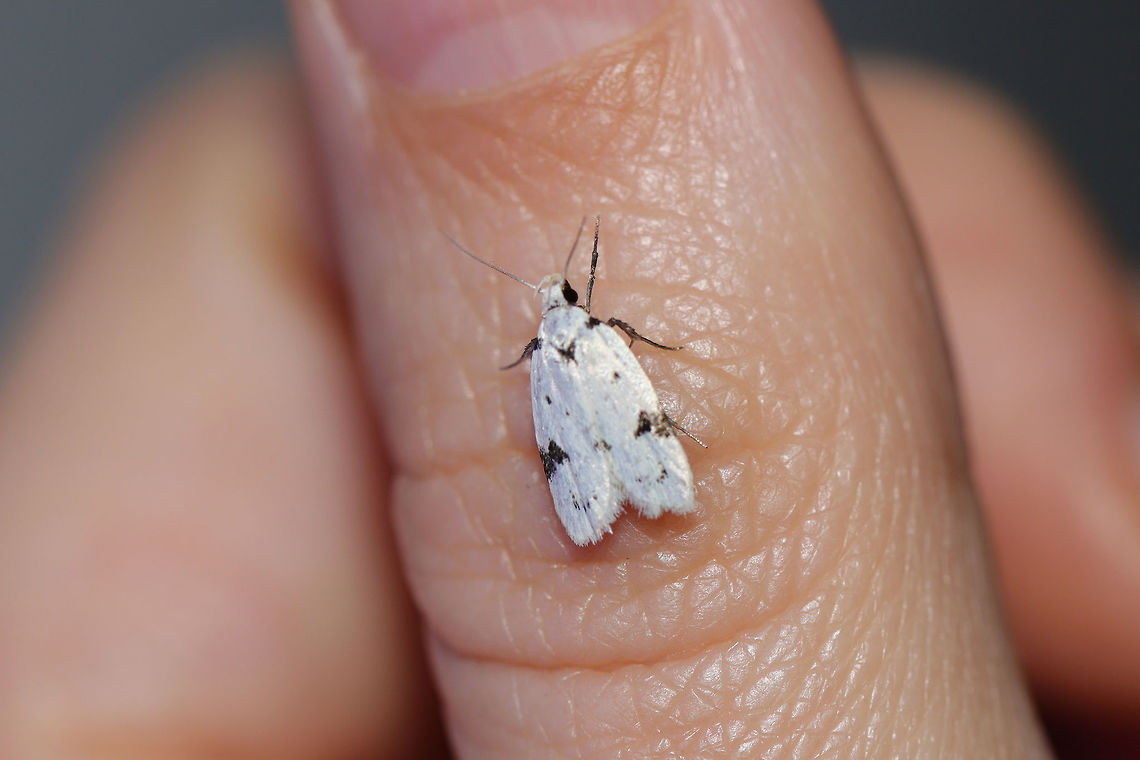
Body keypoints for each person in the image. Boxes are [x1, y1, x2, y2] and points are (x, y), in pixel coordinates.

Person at [2, 1, 1137, 756]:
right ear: (571, 306)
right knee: (613, 432)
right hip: (600, 398)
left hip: (584, 402)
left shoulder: (563, 348)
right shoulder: (582, 340)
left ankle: (633, 491)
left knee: (597, 441)